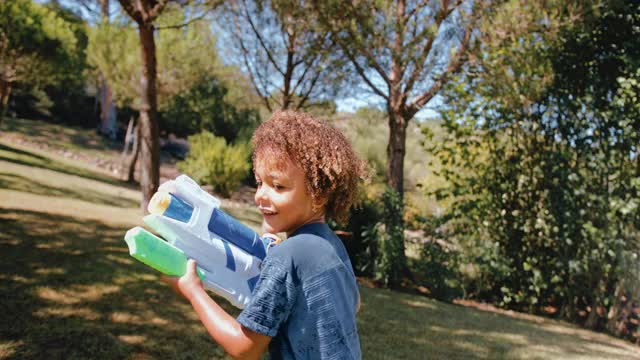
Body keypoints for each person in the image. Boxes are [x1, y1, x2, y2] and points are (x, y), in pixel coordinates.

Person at [162, 110, 367, 359]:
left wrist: (193, 290)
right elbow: (354, 304)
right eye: (260, 182)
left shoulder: (290, 255)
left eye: (278, 186)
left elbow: (244, 347)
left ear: (319, 195)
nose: (261, 195)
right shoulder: (331, 243)